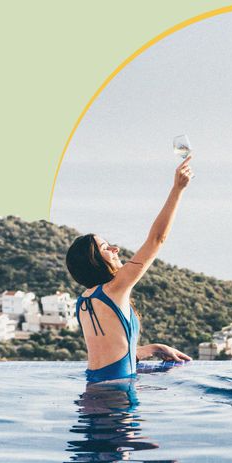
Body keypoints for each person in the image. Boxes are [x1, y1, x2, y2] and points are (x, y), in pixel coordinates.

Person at [65, 158, 193, 382]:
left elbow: (111, 356)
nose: (115, 249)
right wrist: (177, 189)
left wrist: (154, 348)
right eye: (106, 248)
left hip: (94, 391)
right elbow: (156, 239)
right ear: (94, 261)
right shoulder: (115, 289)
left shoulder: (84, 300)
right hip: (117, 397)